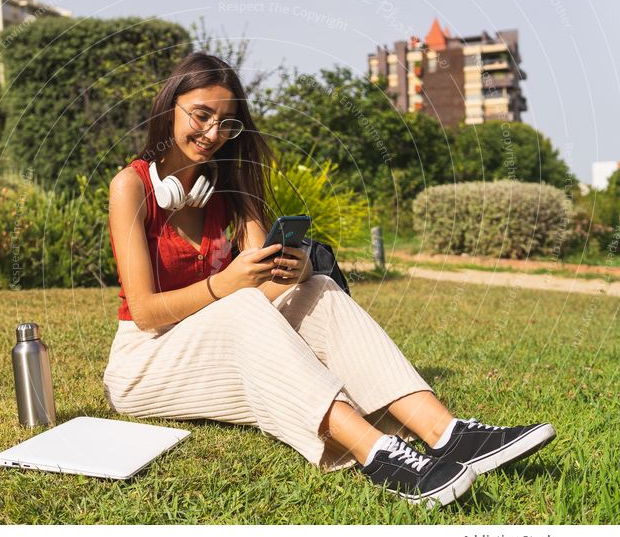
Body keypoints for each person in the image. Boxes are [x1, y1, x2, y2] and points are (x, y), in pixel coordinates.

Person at [102, 52, 555, 507]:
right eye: (201, 115)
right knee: (240, 304)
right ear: (169, 108)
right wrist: (228, 285)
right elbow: (144, 312)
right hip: (146, 363)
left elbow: (260, 290)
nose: (213, 133)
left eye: (227, 123)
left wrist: (291, 272)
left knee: (317, 287)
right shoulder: (132, 186)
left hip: (216, 350)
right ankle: (378, 452)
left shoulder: (231, 189)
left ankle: (446, 433)